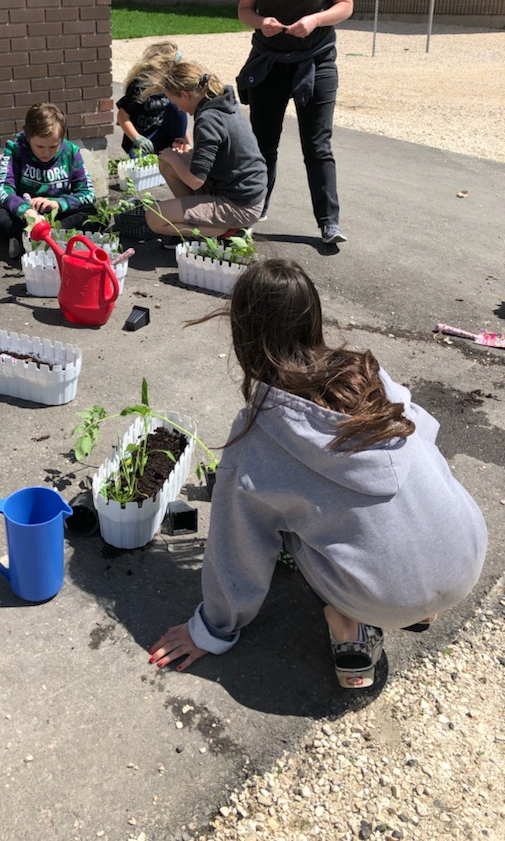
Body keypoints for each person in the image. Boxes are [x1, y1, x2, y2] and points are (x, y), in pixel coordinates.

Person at [149, 259, 488, 688]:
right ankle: (419, 599)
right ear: (314, 317)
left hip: (383, 596)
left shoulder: (260, 433)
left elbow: (238, 548)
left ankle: (350, 621)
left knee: (279, 521)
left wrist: (211, 630)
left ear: (243, 335)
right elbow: (427, 437)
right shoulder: (367, 374)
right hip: (464, 554)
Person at [236, 0, 354, 246]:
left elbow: (346, 5)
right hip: (270, 61)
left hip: (315, 61)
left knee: (317, 145)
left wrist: (315, 20)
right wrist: (263, 24)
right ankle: (254, 210)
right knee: (263, 143)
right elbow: (244, 10)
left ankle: (328, 222)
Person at [137, 57, 267, 243]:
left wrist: (175, 158)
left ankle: (227, 231)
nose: (178, 108)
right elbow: (220, 154)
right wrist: (188, 152)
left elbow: (196, 181)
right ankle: (198, 220)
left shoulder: (208, 119)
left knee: (155, 218)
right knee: (167, 163)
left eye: (175, 102)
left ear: (184, 94)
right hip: (242, 192)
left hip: (240, 205)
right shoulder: (220, 103)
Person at [0, 102, 97, 259]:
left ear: (62, 138)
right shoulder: (16, 150)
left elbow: (88, 193)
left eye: (53, 146)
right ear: (28, 138)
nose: (46, 153)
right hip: (26, 215)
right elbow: (2, 188)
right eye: (40, 146)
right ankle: (51, 240)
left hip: (56, 214)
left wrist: (58, 204)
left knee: (95, 214)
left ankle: (34, 240)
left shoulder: (71, 152)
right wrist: (25, 211)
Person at [116, 41, 190, 156]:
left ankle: (177, 145)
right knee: (141, 165)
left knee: (176, 104)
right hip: (143, 137)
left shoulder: (172, 85)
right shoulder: (140, 85)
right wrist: (137, 139)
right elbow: (122, 116)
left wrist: (189, 144)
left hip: (165, 135)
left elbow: (180, 115)